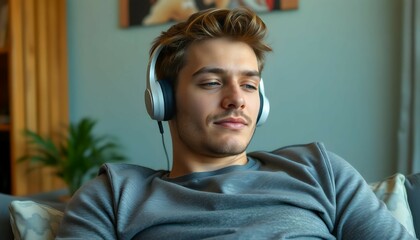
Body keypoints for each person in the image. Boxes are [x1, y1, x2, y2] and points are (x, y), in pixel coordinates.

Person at [57, 8, 415, 239]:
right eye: (212, 82)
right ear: (163, 100)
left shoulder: (321, 172)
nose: (236, 99)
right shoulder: (112, 197)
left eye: (249, 85)